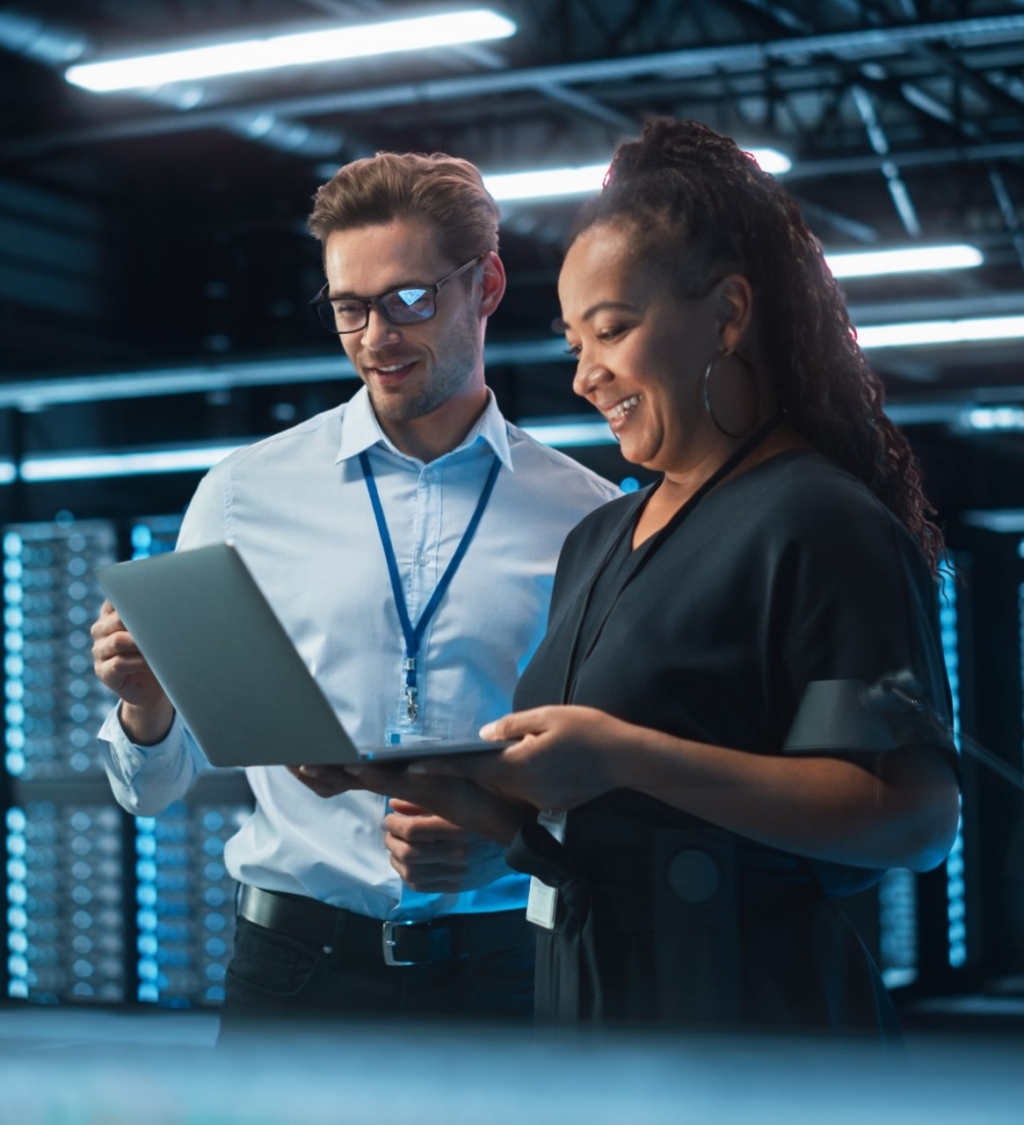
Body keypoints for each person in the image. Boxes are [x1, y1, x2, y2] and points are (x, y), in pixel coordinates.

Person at [350, 119, 962, 1035]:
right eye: (573, 346)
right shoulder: (597, 538)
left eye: (614, 331)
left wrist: (624, 753)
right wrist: (482, 826)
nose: (586, 377)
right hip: (592, 1020)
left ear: (726, 315)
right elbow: (605, 820)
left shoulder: (818, 520)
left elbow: (913, 819)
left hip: (756, 1034)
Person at [90, 150, 618, 1027]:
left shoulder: (589, 517)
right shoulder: (242, 495)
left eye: (409, 299)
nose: (376, 337)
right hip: (292, 975)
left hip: (509, 978)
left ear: (485, 285)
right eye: (348, 308)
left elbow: (616, 777)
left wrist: (510, 840)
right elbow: (152, 787)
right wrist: (146, 709)